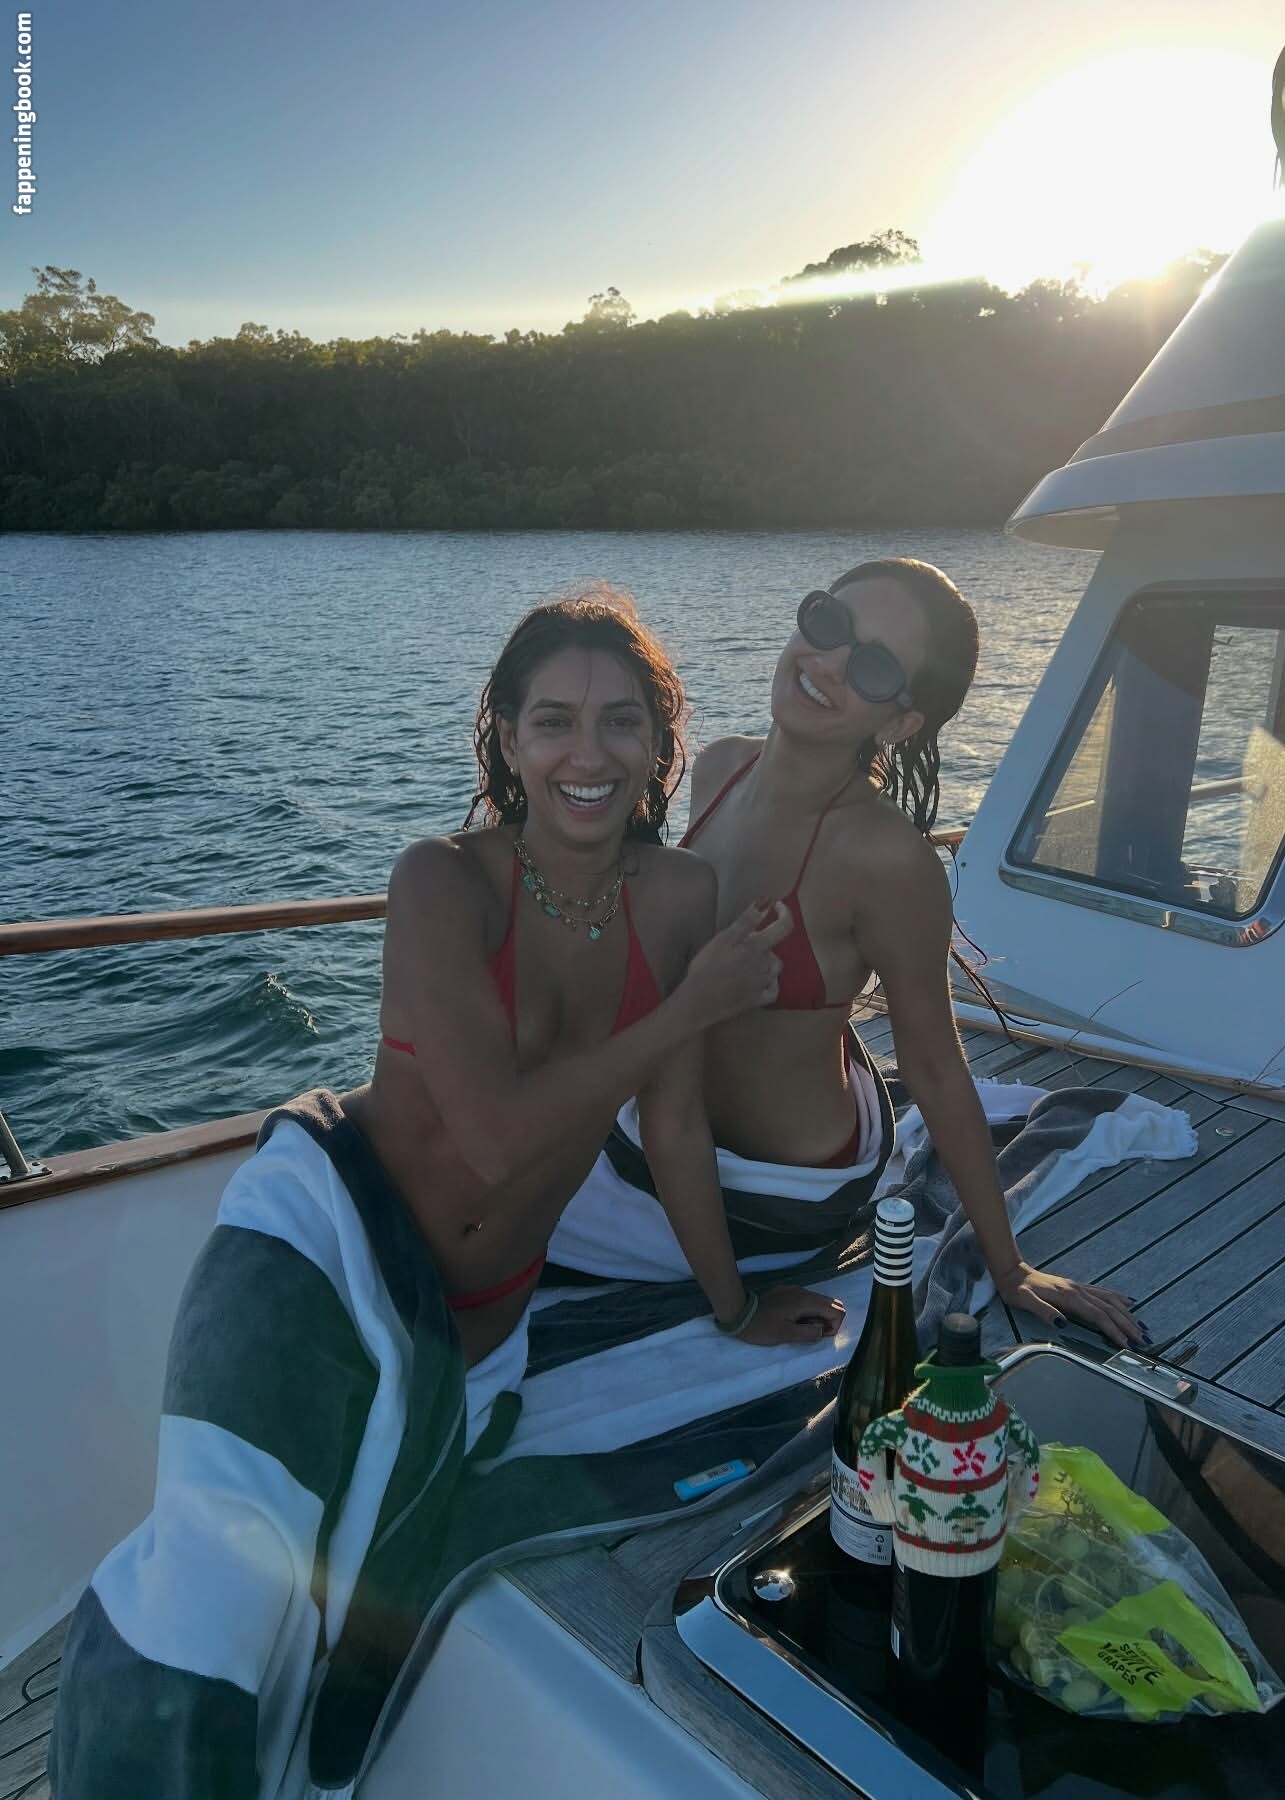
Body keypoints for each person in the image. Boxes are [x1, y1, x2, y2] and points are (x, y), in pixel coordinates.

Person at [50, 588, 840, 1800]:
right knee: (213, 1603)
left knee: (354, 1607)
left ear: (658, 743)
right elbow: (493, 1137)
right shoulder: (441, 883)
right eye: (554, 721)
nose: (587, 753)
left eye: (620, 722)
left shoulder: (683, 897)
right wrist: (690, 1008)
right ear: (508, 739)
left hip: (480, 1328)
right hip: (324, 1247)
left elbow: (676, 1125)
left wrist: (731, 1307)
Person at [677, 559, 1143, 1349]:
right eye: (829, 624)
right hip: (675, 1127)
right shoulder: (720, 767)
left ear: (898, 724)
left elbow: (933, 1064)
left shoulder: (886, 859)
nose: (828, 662)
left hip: (782, 1190)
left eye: (873, 667)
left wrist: (1009, 1268)